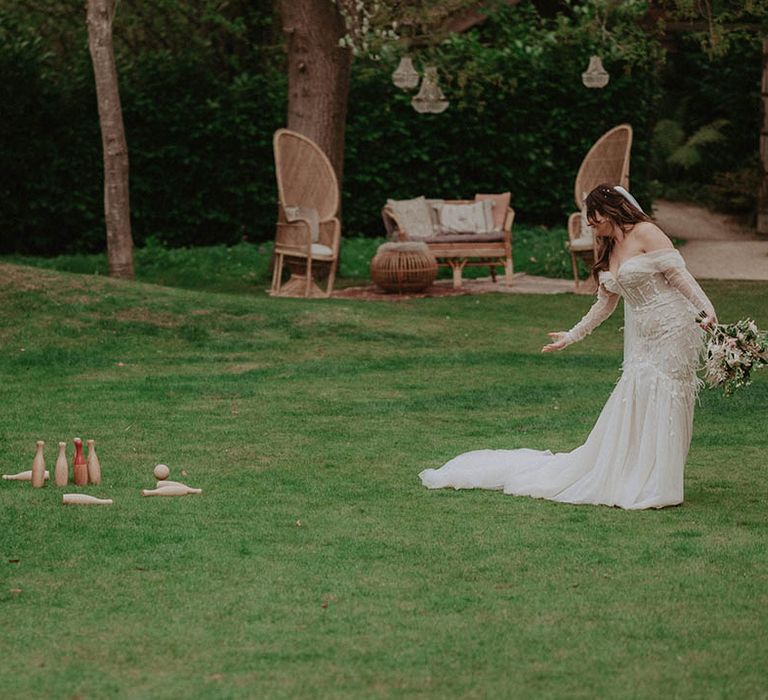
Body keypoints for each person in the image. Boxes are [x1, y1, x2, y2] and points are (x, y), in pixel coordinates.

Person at [419, 183, 717, 510]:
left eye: (595, 217)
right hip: (645, 338)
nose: (592, 224)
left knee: (665, 400)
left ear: (611, 209)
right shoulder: (607, 250)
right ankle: (634, 474)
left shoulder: (647, 233)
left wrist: (706, 310)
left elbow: (680, 276)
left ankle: (660, 482)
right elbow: (604, 305)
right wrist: (571, 335)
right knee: (638, 400)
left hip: (673, 328)